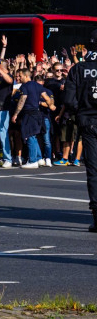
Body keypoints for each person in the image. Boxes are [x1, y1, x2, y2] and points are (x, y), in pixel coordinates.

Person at [63, 30, 97, 233]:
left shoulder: (78, 69)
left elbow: (68, 100)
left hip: (88, 121)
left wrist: (81, 111)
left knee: (93, 169)